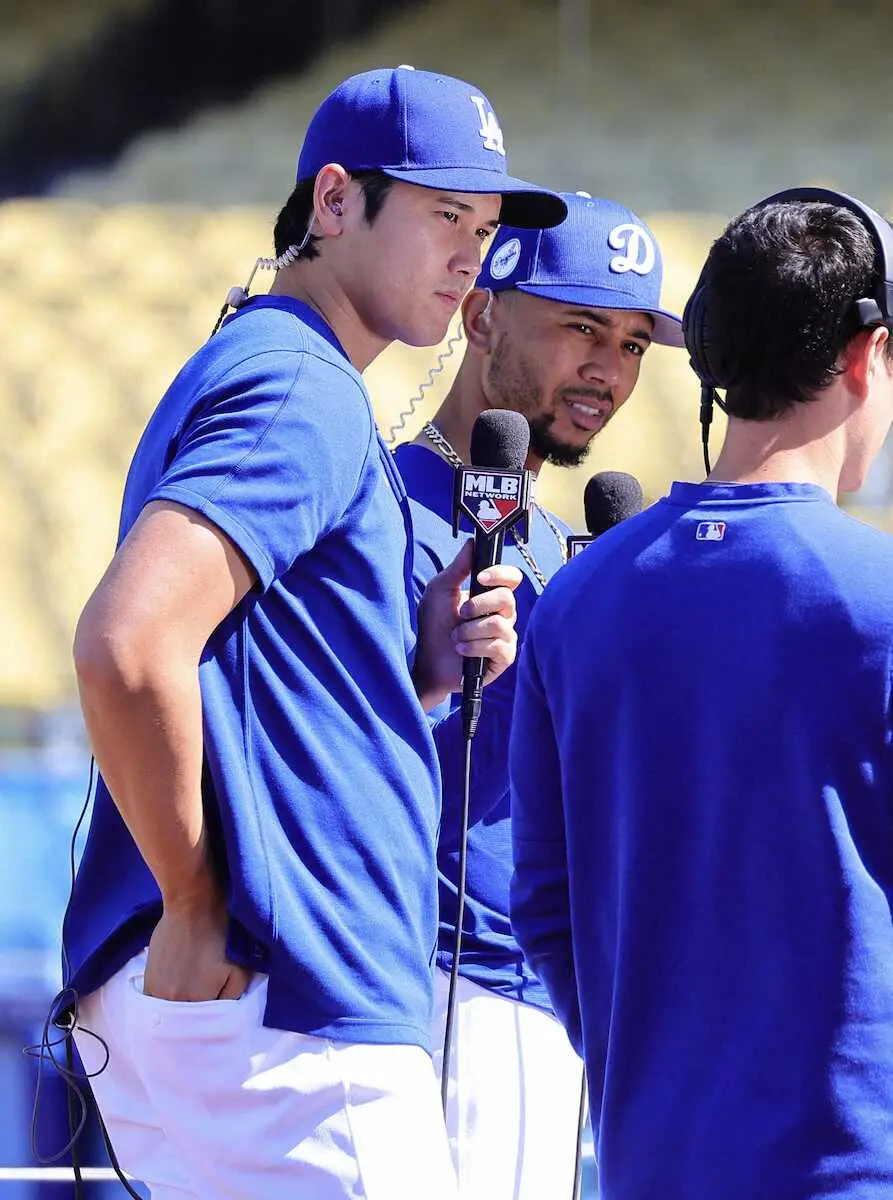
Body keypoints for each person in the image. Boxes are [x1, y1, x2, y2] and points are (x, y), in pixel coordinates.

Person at [65, 65, 566, 1200]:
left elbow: (246, 670)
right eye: (446, 214)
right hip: (285, 986)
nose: (468, 256)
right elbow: (125, 643)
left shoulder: (271, 365)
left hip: (245, 990)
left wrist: (420, 667)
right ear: (334, 201)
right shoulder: (304, 381)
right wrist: (196, 900)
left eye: (484, 229)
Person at [509, 188, 893, 1200]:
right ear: (866, 358)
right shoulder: (879, 600)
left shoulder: (575, 601)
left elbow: (545, 909)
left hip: (650, 1162)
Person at [393, 190, 683, 1199]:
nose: (609, 368)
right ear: (478, 315)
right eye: (579, 327)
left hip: (551, 996)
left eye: (634, 343)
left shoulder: (576, 549)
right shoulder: (369, 502)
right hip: (418, 983)